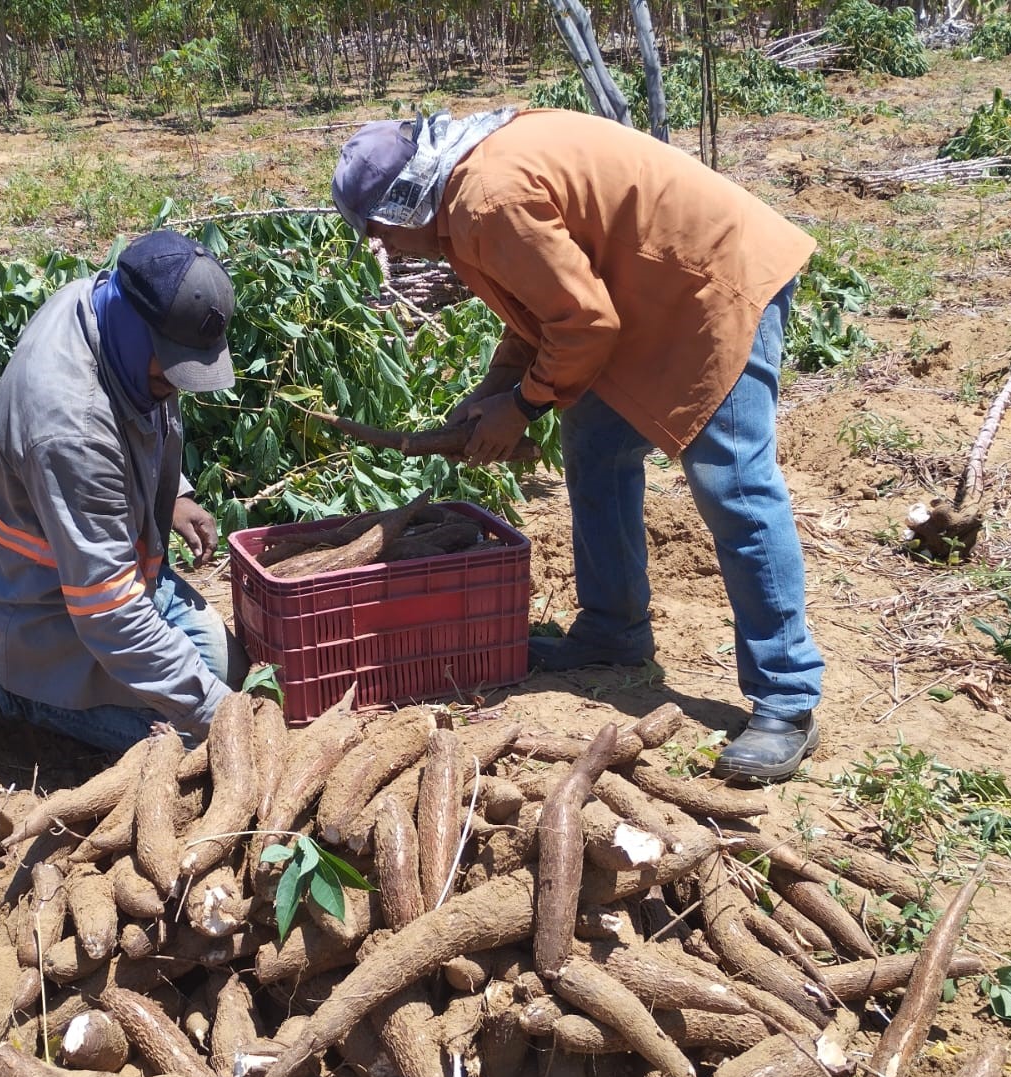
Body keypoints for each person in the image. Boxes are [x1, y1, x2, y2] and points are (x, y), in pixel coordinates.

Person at [331, 108, 825, 782]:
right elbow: (542, 309)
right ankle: (614, 632)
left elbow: (584, 322)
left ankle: (787, 697)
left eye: (381, 233)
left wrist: (524, 406)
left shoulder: (487, 200)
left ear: (401, 205)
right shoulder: (468, 196)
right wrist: (496, 389)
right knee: (595, 445)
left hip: (712, 285)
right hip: (646, 297)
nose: (389, 248)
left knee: (731, 481)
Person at [0, 228, 249, 763]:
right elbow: (110, 612)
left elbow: (139, 417)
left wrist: (175, 496)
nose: (172, 386)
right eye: (167, 370)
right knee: (188, 739)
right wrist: (216, 719)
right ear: (136, 329)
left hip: (103, 569)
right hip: (38, 608)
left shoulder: (100, 308)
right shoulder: (68, 425)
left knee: (222, 667)